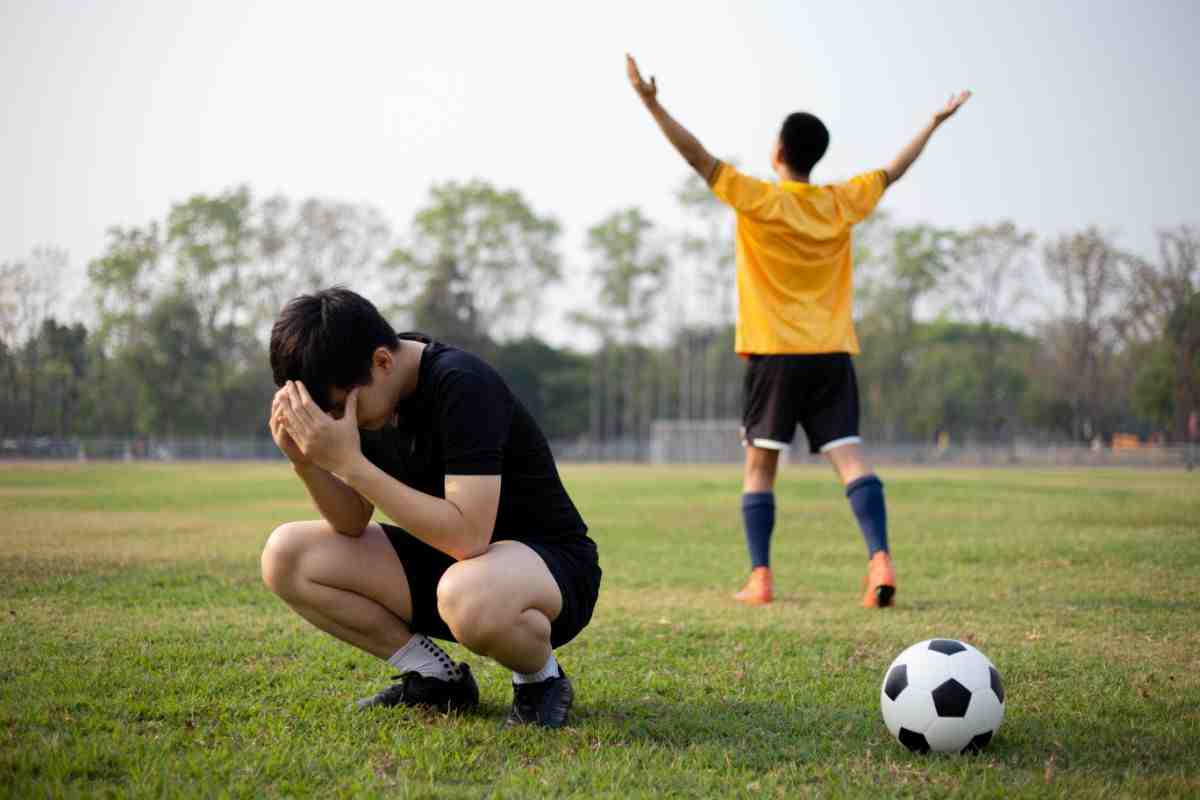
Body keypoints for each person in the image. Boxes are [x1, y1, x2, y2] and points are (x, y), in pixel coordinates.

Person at [625, 54, 970, 607]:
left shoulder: (757, 198)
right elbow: (894, 170)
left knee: (760, 467)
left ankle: (760, 577)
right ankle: (879, 557)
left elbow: (697, 157)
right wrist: (931, 123)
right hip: (831, 353)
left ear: (778, 152)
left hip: (774, 355)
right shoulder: (840, 201)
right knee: (851, 457)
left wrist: (650, 102)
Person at [262, 287, 600, 727]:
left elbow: (467, 537)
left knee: (468, 593)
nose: (336, 418)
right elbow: (350, 522)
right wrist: (305, 462)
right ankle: (435, 678)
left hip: (547, 567)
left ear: (383, 362)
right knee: (287, 554)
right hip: (454, 570)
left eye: (339, 405)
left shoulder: (461, 384)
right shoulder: (370, 393)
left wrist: (350, 463)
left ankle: (540, 680)